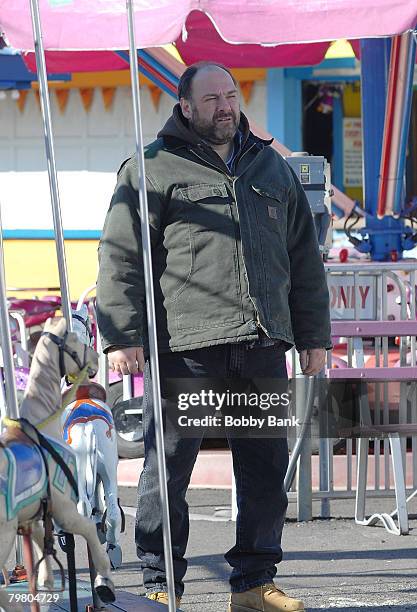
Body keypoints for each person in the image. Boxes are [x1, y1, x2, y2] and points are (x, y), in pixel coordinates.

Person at [97, 61, 332, 612]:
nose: (226, 106)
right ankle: (161, 582)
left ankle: (253, 583)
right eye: (212, 99)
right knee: (168, 472)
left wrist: (313, 335)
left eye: (231, 95)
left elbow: (303, 259)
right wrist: (123, 334)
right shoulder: (151, 168)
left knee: (266, 471)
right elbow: (121, 257)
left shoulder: (271, 167)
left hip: (262, 343)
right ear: (185, 107)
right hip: (188, 346)